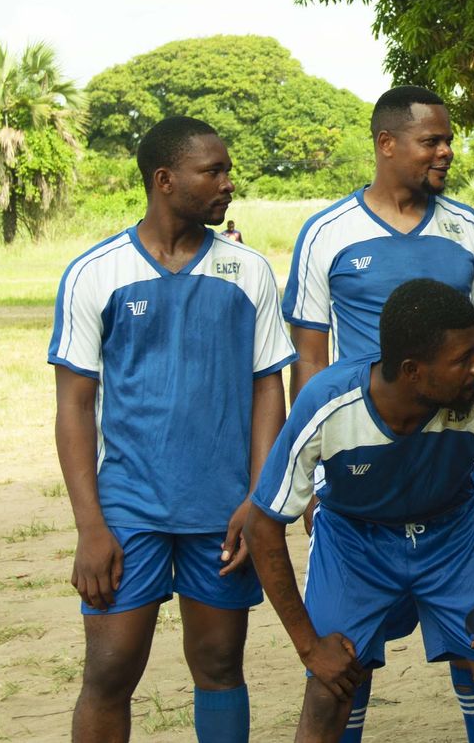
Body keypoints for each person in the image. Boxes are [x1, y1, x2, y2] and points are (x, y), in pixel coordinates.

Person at [283, 85, 474, 741]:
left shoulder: (465, 226)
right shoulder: (328, 232)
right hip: (362, 470)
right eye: (432, 141)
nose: (446, 151)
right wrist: (308, 471)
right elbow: (309, 357)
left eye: (448, 139)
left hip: (453, 467)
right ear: (387, 144)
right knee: (341, 671)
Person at [49, 116, 294, 743]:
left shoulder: (249, 273)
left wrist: (257, 500)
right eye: (212, 171)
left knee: (218, 666)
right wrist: (90, 527)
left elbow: (269, 386)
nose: (227, 183)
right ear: (165, 180)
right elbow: (75, 405)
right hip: (129, 511)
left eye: (227, 170)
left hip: (224, 512)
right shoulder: (95, 273)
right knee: (109, 672)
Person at [246, 278, 474, 743]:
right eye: (462, 359)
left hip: (454, 536)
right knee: (328, 691)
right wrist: (309, 647)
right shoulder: (329, 404)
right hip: (355, 541)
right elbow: (261, 526)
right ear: (413, 370)